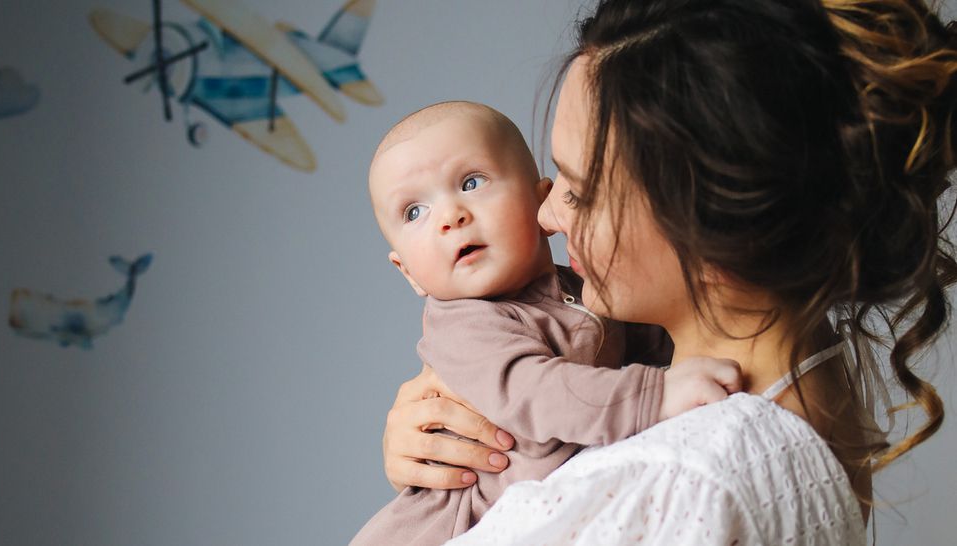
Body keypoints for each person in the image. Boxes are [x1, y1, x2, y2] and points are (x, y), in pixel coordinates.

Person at [380, 0, 957, 544]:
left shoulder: (684, 481)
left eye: (578, 194)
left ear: (716, 233)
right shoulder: (812, 371)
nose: (547, 216)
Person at [353, 101, 743, 545]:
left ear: (542, 202)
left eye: (471, 182)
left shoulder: (584, 288)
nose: (450, 217)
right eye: (414, 212)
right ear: (407, 272)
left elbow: (654, 344)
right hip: (448, 528)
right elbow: (537, 393)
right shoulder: (464, 325)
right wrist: (657, 395)